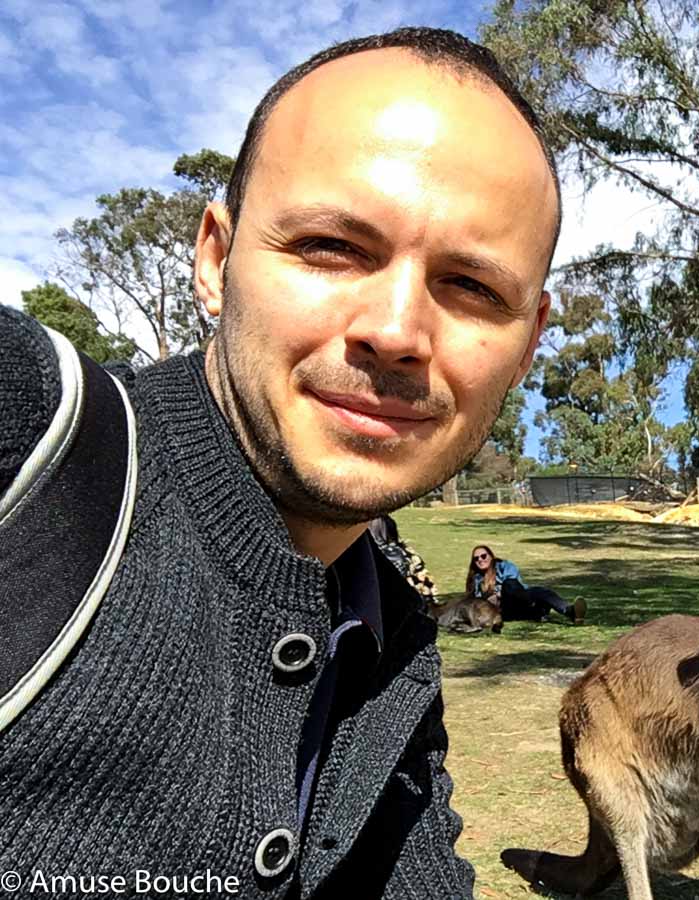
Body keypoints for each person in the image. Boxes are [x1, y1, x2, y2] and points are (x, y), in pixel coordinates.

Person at [0, 26, 561, 898]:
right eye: (333, 248)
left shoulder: (389, 623)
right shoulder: (33, 441)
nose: (398, 332)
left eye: (473, 287)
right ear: (216, 262)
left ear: (527, 346)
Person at [467, 545, 586, 624]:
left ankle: (570, 612)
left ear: (491, 556)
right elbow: (476, 602)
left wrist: (498, 595)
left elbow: (513, 585)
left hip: (518, 599)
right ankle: (537, 609)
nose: (480, 560)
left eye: (483, 556)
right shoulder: (476, 579)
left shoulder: (504, 566)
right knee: (522, 590)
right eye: (476, 558)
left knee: (539, 590)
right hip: (503, 611)